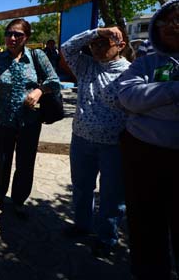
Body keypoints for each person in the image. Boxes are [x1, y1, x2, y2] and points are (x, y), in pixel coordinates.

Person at [117, 0, 179, 279]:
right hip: (142, 156)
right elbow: (128, 96)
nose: (171, 25)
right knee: (144, 228)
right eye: (165, 19)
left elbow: (141, 99)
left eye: (178, 19)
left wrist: (151, 99)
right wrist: (173, 91)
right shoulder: (147, 61)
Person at [60, 25, 131, 258]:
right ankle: (82, 225)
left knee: (112, 195)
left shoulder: (130, 72)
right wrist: (97, 32)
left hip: (114, 146)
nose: (97, 48)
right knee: (82, 188)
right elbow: (67, 47)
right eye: (94, 44)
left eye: (104, 43)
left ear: (120, 46)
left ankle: (106, 237)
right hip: (81, 140)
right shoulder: (86, 66)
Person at [0, 19, 60, 218]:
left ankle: (18, 200)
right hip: (2, 120)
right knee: (1, 160)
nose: (12, 37)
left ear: (27, 37)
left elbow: (54, 81)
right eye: (9, 33)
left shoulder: (37, 56)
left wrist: (39, 90)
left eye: (18, 34)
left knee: (25, 163)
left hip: (30, 121)